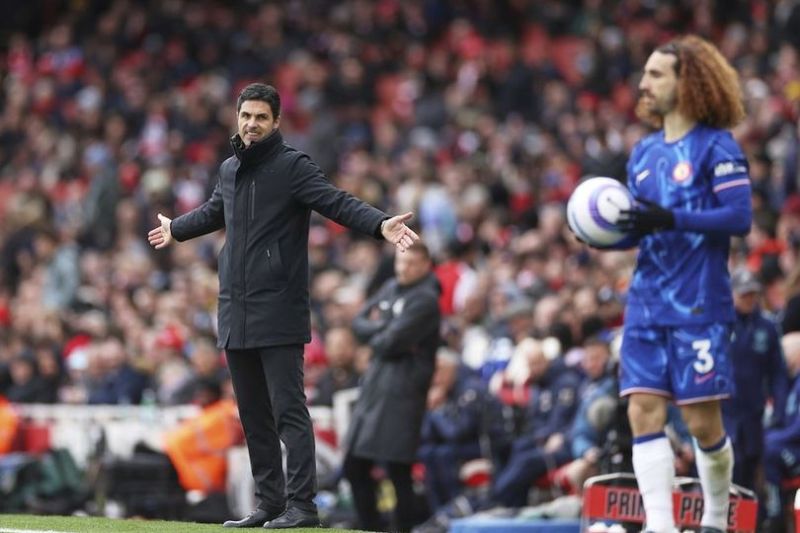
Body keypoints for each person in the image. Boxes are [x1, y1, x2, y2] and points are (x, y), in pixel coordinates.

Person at [147, 83, 419, 529]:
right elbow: (217, 211)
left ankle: (303, 507)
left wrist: (379, 224)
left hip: (278, 308)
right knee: (253, 415)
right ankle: (270, 504)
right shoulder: (230, 170)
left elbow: (336, 202)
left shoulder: (293, 167)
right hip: (235, 310)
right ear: (237, 119)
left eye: (260, 117)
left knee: (289, 411)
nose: (251, 124)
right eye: (246, 116)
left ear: (276, 123)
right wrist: (176, 228)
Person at [612, 35, 753, 533]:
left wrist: (669, 217)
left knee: (700, 424)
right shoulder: (643, 153)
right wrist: (599, 232)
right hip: (646, 303)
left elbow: (739, 217)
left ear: (686, 82)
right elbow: (640, 227)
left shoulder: (717, 146)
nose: (643, 83)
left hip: (699, 305)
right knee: (643, 413)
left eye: (656, 75)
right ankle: (660, 526)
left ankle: (715, 520)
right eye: (645, 73)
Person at [344, 242, 441, 532]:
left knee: (398, 470)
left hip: (403, 393)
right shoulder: (389, 287)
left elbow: (390, 343)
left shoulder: (426, 300)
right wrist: (386, 327)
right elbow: (358, 324)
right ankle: (371, 526)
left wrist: (381, 329)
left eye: (411, 263)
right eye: (401, 262)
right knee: (354, 465)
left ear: (425, 265)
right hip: (376, 386)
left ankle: (401, 529)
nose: (404, 268)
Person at [722, 268, 788, 493]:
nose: (749, 299)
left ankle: (751, 526)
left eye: (752, 294)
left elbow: (777, 372)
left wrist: (778, 410)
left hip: (754, 414)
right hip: (725, 413)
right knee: (725, 471)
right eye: (744, 295)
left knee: (750, 476)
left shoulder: (767, 327)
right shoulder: (722, 325)